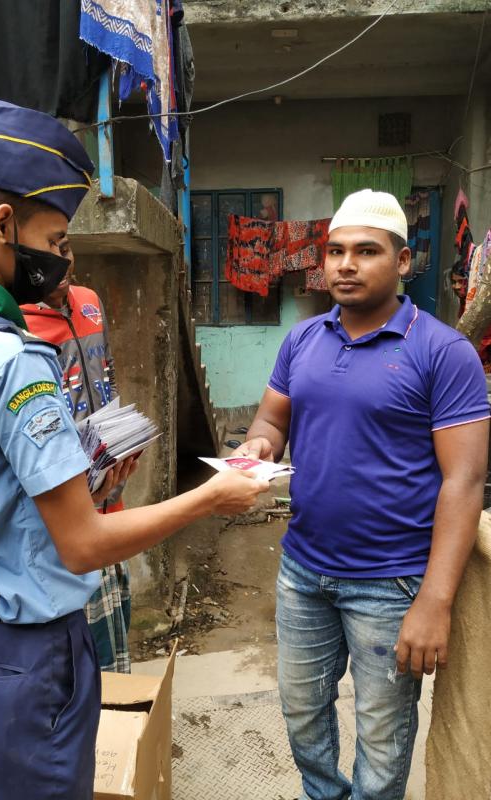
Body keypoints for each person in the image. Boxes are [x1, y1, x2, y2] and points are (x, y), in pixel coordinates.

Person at [0, 98, 269, 800]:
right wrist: (209, 497)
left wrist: (87, 483)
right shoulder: (12, 359)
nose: (61, 257)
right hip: (31, 654)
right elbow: (83, 546)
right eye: (55, 236)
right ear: (3, 224)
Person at [233, 189, 489, 800]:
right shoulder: (304, 340)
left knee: (382, 736)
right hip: (302, 571)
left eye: (366, 251)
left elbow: (465, 481)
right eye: (336, 251)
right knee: (302, 715)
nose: (345, 265)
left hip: (392, 583)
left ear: (403, 262)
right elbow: (271, 422)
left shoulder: (444, 353)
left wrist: (436, 600)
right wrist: (257, 448)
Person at [21, 251, 134, 673]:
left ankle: (118, 723)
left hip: (110, 487)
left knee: (116, 615)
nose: (64, 261)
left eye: (67, 247)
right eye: (51, 249)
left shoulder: (89, 300)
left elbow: (108, 374)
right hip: (68, 502)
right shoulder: (16, 323)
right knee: (83, 644)